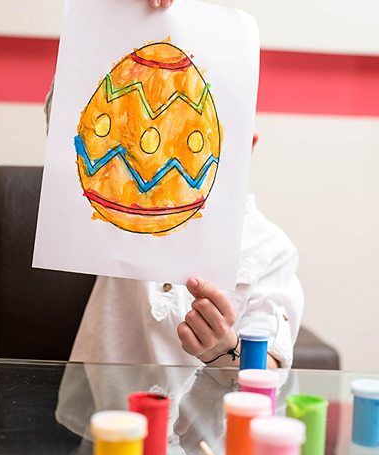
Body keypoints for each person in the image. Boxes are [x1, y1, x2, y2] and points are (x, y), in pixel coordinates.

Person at [45, 0, 303, 370]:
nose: (152, 153)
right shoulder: (119, 204)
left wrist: (223, 350)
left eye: (187, 134)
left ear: (247, 149)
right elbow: (72, 108)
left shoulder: (271, 250)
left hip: (212, 428)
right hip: (112, 425)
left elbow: (270, 374)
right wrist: (125, 15)